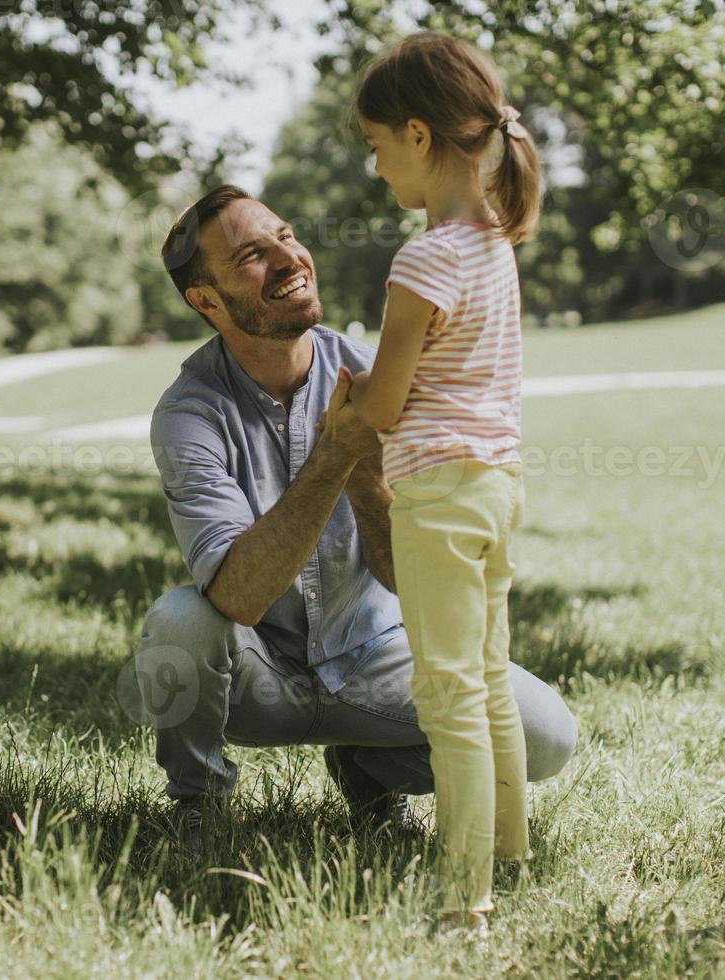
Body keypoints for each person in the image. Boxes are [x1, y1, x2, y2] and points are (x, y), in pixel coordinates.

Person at [134, 184, 577, 868]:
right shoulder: (190, 413)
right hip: (262, 676)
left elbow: (416, 576)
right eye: (253, 255)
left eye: (286, 236)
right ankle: (198, 803)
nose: (288, 259)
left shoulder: (380, 378)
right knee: (179, 620)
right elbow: (236, 599)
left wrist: (368, 479)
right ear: (208, 302)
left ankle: (370, 771)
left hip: (376, 655)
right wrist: (335, 453)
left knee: (545, 737)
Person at [326, 32, 544, 937]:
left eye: (377, 147)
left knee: (447, 692)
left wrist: (349, 399)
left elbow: (385, 406)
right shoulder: (494, 243)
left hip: (438, 498)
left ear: (418, 136)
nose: (377, 170)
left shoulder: (423, 260)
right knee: (487, 676)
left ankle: (465, 901)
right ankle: (506, 849)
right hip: (495, 486)